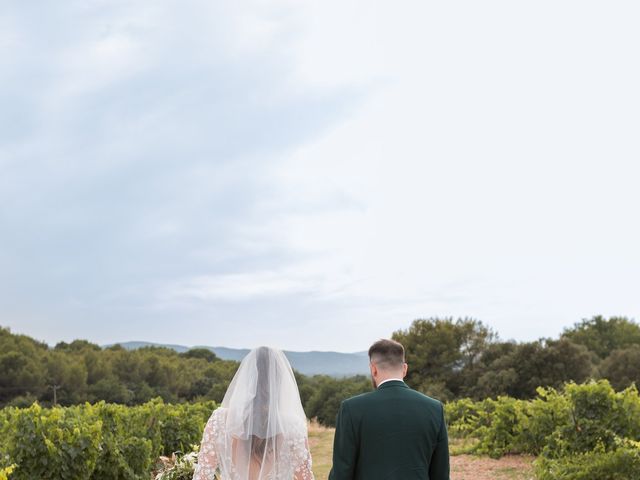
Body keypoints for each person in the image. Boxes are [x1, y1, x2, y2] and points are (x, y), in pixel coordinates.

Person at [329, 339, 450, 480]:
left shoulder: (351, 409)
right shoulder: (434, 409)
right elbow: (441, 474)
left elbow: (341, 473)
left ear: (373, 369)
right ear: (404, 369)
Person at [193, 346, 314, 480]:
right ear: (279, 383)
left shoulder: (220, 420)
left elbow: (202, 476)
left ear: (247, 380)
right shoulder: (293, 426)